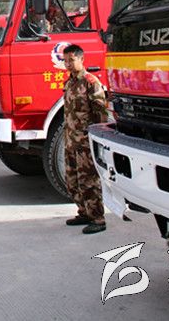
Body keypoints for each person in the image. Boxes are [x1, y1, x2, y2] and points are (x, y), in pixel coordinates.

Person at [61, 44, 108, 234]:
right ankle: (84, 212)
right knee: (72, 181)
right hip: (71, 141)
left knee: (88, 181)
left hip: (85, 143)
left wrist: (96, 139)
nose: (68, 64)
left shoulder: (90, 82)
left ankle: (98, 218)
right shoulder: (69, 83)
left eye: (71, 60)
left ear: (81, 59)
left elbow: (101, 113)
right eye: (65, 61)